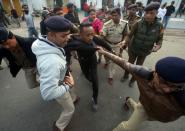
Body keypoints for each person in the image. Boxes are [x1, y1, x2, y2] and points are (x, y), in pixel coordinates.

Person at [97, 48, 185, 131]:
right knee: (127, 128)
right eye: (163, 82)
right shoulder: (144, 73)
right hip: (144, 107)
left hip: (158, 116)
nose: (167, 90)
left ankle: (128, 101)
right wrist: (104, 52)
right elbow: (123, 62)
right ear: (155, 73)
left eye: (175, 87)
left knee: (139, 111)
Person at [32, 16, 76, 131]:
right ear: (51, 35)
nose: (68, 38)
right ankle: (59, 126)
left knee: (71, 94)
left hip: (59, 77)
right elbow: (48, 94)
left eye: (68, 34)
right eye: (63, 36)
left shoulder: (43, 41)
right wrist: (68, 85)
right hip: (60, 84)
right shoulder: (52, 63)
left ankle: (74, 97)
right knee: (70, 109)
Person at [64, 23, 113, 111]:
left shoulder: (93, 37)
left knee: (95, 82)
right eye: (88, 35)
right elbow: (66, 50)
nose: (91, 37)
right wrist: (67, 64)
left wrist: (111, 49)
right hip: (83, 62)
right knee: (87, 76)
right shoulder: (74, 41)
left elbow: (103, 43)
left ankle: (95, 99)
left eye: (92, 34)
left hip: (92, 61)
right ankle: (90, 78)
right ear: (80, 34)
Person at [120, 2, 164, 87]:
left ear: (157, 13)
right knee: (130, 64)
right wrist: (124, 42)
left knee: (139, 67)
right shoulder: (138, 23)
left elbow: (160, 40)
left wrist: (157, 47)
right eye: (146, 13)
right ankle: (125, 76)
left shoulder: (160, 26)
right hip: (134, 49)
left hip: (145, 51)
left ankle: (133, 80)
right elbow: (129, 35)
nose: (148, 15)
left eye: (151, 13)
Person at [102, 7, 128, 85]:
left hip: (117, 45)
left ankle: (111, 76)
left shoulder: (124, 24)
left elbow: (126, 35)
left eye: (115, 15)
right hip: (107, 44)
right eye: (112, 15)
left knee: (113, 62)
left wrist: (124, 41)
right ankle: (106, 62)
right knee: (106, 57)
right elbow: (103, 33)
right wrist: (102, 33)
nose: (113, 17)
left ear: (120, 15)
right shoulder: (107, 24)